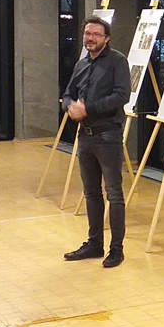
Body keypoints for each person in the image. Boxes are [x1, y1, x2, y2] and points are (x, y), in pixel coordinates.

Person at [61, 17, 130, 268]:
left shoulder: (118, 61)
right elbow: (67, 93)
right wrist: (70, 107)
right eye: (87, 34)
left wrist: (87, 108)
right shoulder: (81, 64)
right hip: (85, 136)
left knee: (114, 194)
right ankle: (94, 244)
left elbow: (122, 95)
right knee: (91, 192)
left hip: (107, 135)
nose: (90, 38)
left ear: (106, 38)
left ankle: (116, 249)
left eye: (96, 35)